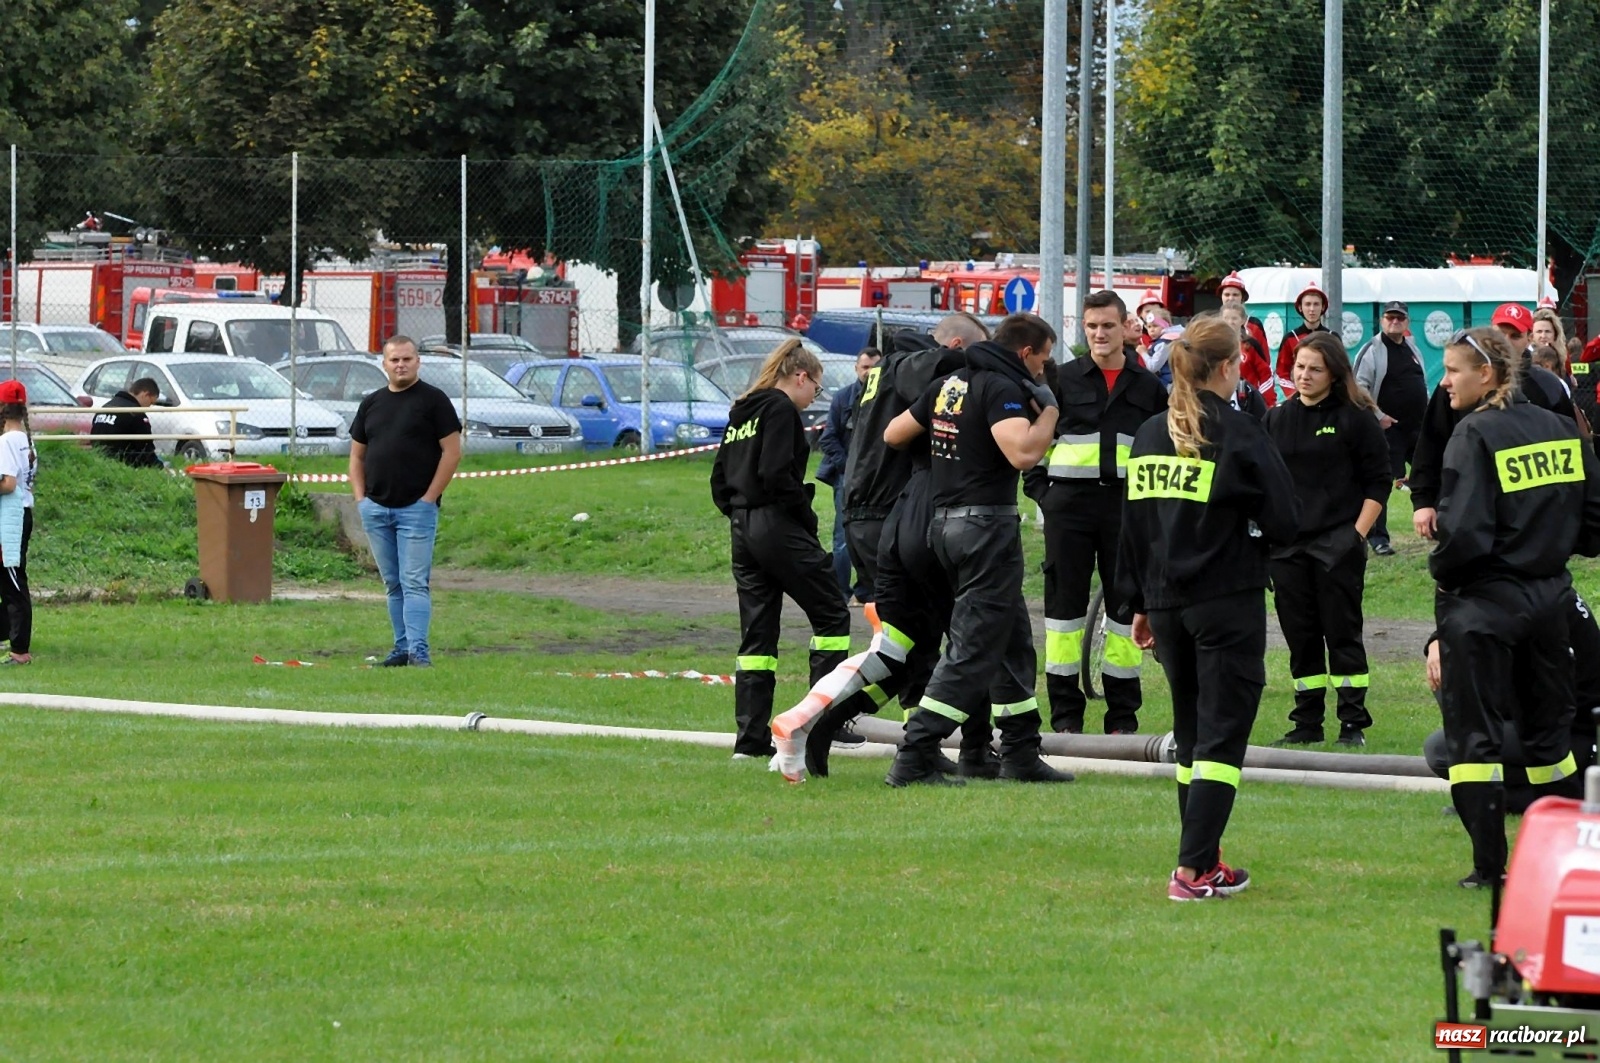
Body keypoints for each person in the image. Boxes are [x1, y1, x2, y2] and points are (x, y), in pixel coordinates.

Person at [1115, 314, 1301, 901]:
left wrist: (1140, 601)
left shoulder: (1149, 433)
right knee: (1222, 738)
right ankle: (1192, 872)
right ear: (1228, 367)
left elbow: (1134, 527)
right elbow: (1287, 520)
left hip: (1166, 604)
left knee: (1193, 734)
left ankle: (1206, 859)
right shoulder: (1240, 431)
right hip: (1225, 598)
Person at [771, 314, 996, 782]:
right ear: (955, 346)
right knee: (936, 637)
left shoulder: (886, 369)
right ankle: (816, 721)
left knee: (913, 642)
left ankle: (834, 725)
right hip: (893, 515)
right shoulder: (916, 363)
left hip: (872, 515)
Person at [1428, 326, 1600, 888]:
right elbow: (1594, 524)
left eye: (1453, 370)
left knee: (1471, 743)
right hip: (1551, 598)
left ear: (1489, 374)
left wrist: (1445, 580)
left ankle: (1488, 871)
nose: (1444, 381)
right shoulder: (1560, 427)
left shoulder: (1472, 432)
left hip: (1482, 605)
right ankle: (1569, 856)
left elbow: (1464, 535)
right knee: (1550, 738)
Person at [881, 313, 1071, 786]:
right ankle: (916, 753)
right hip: (986, 528)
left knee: (1012, 642)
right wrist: (1048, 412)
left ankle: (1020, 750)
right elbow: (1023, 453)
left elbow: (893, 434)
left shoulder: (951, 384)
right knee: (970, 650)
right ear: (1025, 352)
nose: (1044, 371)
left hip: (944, 526)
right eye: (1043, 360)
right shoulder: (1000, 388)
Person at [1029, 290, 1167, 734]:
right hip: (1068, 508)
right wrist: (1043, 495)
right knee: (1063, 614)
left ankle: (1122, 718)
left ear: (1127, 328)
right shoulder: (1060, 380)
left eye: (1108, 325)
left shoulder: (1147, 386)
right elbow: (1031, 445)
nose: (1099, 334)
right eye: (1091, 326)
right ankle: (1065, 717)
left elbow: (1159, 448)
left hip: (1125, 510)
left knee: (1127, 610)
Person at [710, 340, 852, 760]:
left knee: (757, 636)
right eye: (817, 390)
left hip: (741, 526)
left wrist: (742, 515)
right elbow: (776, 473)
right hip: (777, 522)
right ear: (801, 377)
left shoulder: (742, 412)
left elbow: (720, 482)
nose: (814, 399)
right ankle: (819, 728)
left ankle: (749, 743)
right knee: (831, 615)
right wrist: (804, 518)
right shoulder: (780, 410)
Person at [1264, 332, 1390, 747]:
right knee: (1301, 641)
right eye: (1300, 367)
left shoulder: (1356, 417)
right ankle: (1307, 722)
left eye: (1315, 368)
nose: (1304, 375)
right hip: (1287, 549)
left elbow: (1379, 483)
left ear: (1334, 374)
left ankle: (1353, 723)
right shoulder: (1277, 418)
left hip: (1337, 546)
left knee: (1342, 635)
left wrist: (1355, 536)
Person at [1422, 592, 1600, 815]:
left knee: (1442, 749)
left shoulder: (1531, 606)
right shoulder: (1535, 590)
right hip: (1551, 722)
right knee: (1452, 677)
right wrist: (1437, 641)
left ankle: (1553, 798)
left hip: (1569, 737)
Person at [1409, 303, 1576, 541]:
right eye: (1500, 333)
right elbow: (1431, 441)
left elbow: (1570, 452)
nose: (1506, 341)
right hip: (1468, 508)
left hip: (1531, 515)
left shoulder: (1547, 386)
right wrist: (1423, 500)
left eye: (1515, 335)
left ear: (1529, 338)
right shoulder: (1459, 384)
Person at [349, 336, 464, 669]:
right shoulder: (371, 403)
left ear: (418, 361)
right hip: (376, 509)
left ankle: (419, 651)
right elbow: (357, 456)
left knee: (414, 582)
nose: (401, 365)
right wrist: (361, 500)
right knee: (393, 583)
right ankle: (401, 648)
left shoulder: (434, 401)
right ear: (384, 364)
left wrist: (429, 498)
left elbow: (452, 452)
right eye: (394, 360)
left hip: (417, 510)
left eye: (407, 359)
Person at [1353, 301, 1428, 556]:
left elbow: (1421, 382)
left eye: (1400, 318)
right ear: (1382, 321)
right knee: (1381, 482)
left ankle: (1438, 524)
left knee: (1431, 473)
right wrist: (1379, 416)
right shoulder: (1372, 349)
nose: (1395, 322)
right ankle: (1377, 537)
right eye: (1390, 317)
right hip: (1387, 429)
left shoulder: (1412, 348)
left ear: (1407, 322)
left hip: (1416, 428)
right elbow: (1359, 387)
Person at [817, 347, 881, 604]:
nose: (869, 372)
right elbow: (828, 437)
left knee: (874, 535)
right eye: (865, 367)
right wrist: (847, 467)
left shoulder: (887, 397)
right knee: (843, 537)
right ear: (856, 369)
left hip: (877, 480)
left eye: (874, 367)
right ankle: (840, 592)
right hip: (846, 477)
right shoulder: (843, 398)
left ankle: (867, 592)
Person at [0, 380, 37, 666]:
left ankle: (20, 650)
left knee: (13, 581)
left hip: (10, 517)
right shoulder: (26, 439)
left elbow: (8, 483)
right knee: (7, 578)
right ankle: (7, 633)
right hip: (23, 514)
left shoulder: (5, 441)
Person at [90, 377, 162, 468]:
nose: (149, 407)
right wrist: (160, 467)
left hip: (98, 460)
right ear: (145, 394)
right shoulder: (136, 414)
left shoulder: (105, 407)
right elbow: (146, 450)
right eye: (151, 402)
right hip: (124, 462)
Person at [1274, 281, 1332, 381]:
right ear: (1300, 308)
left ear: (1323, 307)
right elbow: (1282, 373)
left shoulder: (1332, 338)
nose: (1312, 309)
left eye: (1316, 304)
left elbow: (1341, 371)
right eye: (1307, 304)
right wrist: (1295, 395)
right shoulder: (1290, 338)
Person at [1217, 271, 1270, 363]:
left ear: (1243, 298)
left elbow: (1265, 360)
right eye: (1227, 294)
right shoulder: (1213, 325)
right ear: (1221, 297)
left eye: (1235, 295)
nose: (1231, 298)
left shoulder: (1254, 325)